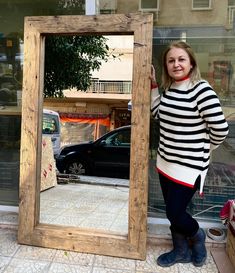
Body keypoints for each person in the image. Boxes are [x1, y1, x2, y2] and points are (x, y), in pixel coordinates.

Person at [150, 41, 229, 267]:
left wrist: (204, 148)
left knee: (175, 213)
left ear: (191, 62)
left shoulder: (201, 89)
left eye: (181, 59)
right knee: (173, 212)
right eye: (171, 60)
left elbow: (221, 130)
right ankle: (180, 250)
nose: (176, 64)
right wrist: (154, 85)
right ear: (166, 66)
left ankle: (197, 235)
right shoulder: (172, 89)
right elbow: (158, 112)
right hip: (165, 163)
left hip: (189, 168)